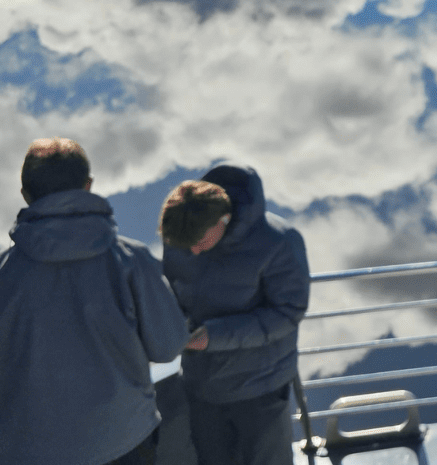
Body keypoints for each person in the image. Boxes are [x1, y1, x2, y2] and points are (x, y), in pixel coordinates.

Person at [0, 137, 190, 465]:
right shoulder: (133, 260)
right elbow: (168, 346)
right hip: (123, 440)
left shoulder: (4, 272)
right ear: (87, 187)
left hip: (28, 448)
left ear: (26, 195)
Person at [160, 164, 310, 465]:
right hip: (202, 386)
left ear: (223, 220)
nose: (193, 252)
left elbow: (287, 313)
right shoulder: (184, 235)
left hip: (261, 388)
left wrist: (214, 337)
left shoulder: (280, 241)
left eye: (200, 242)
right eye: (184, 246)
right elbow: (172, 295)